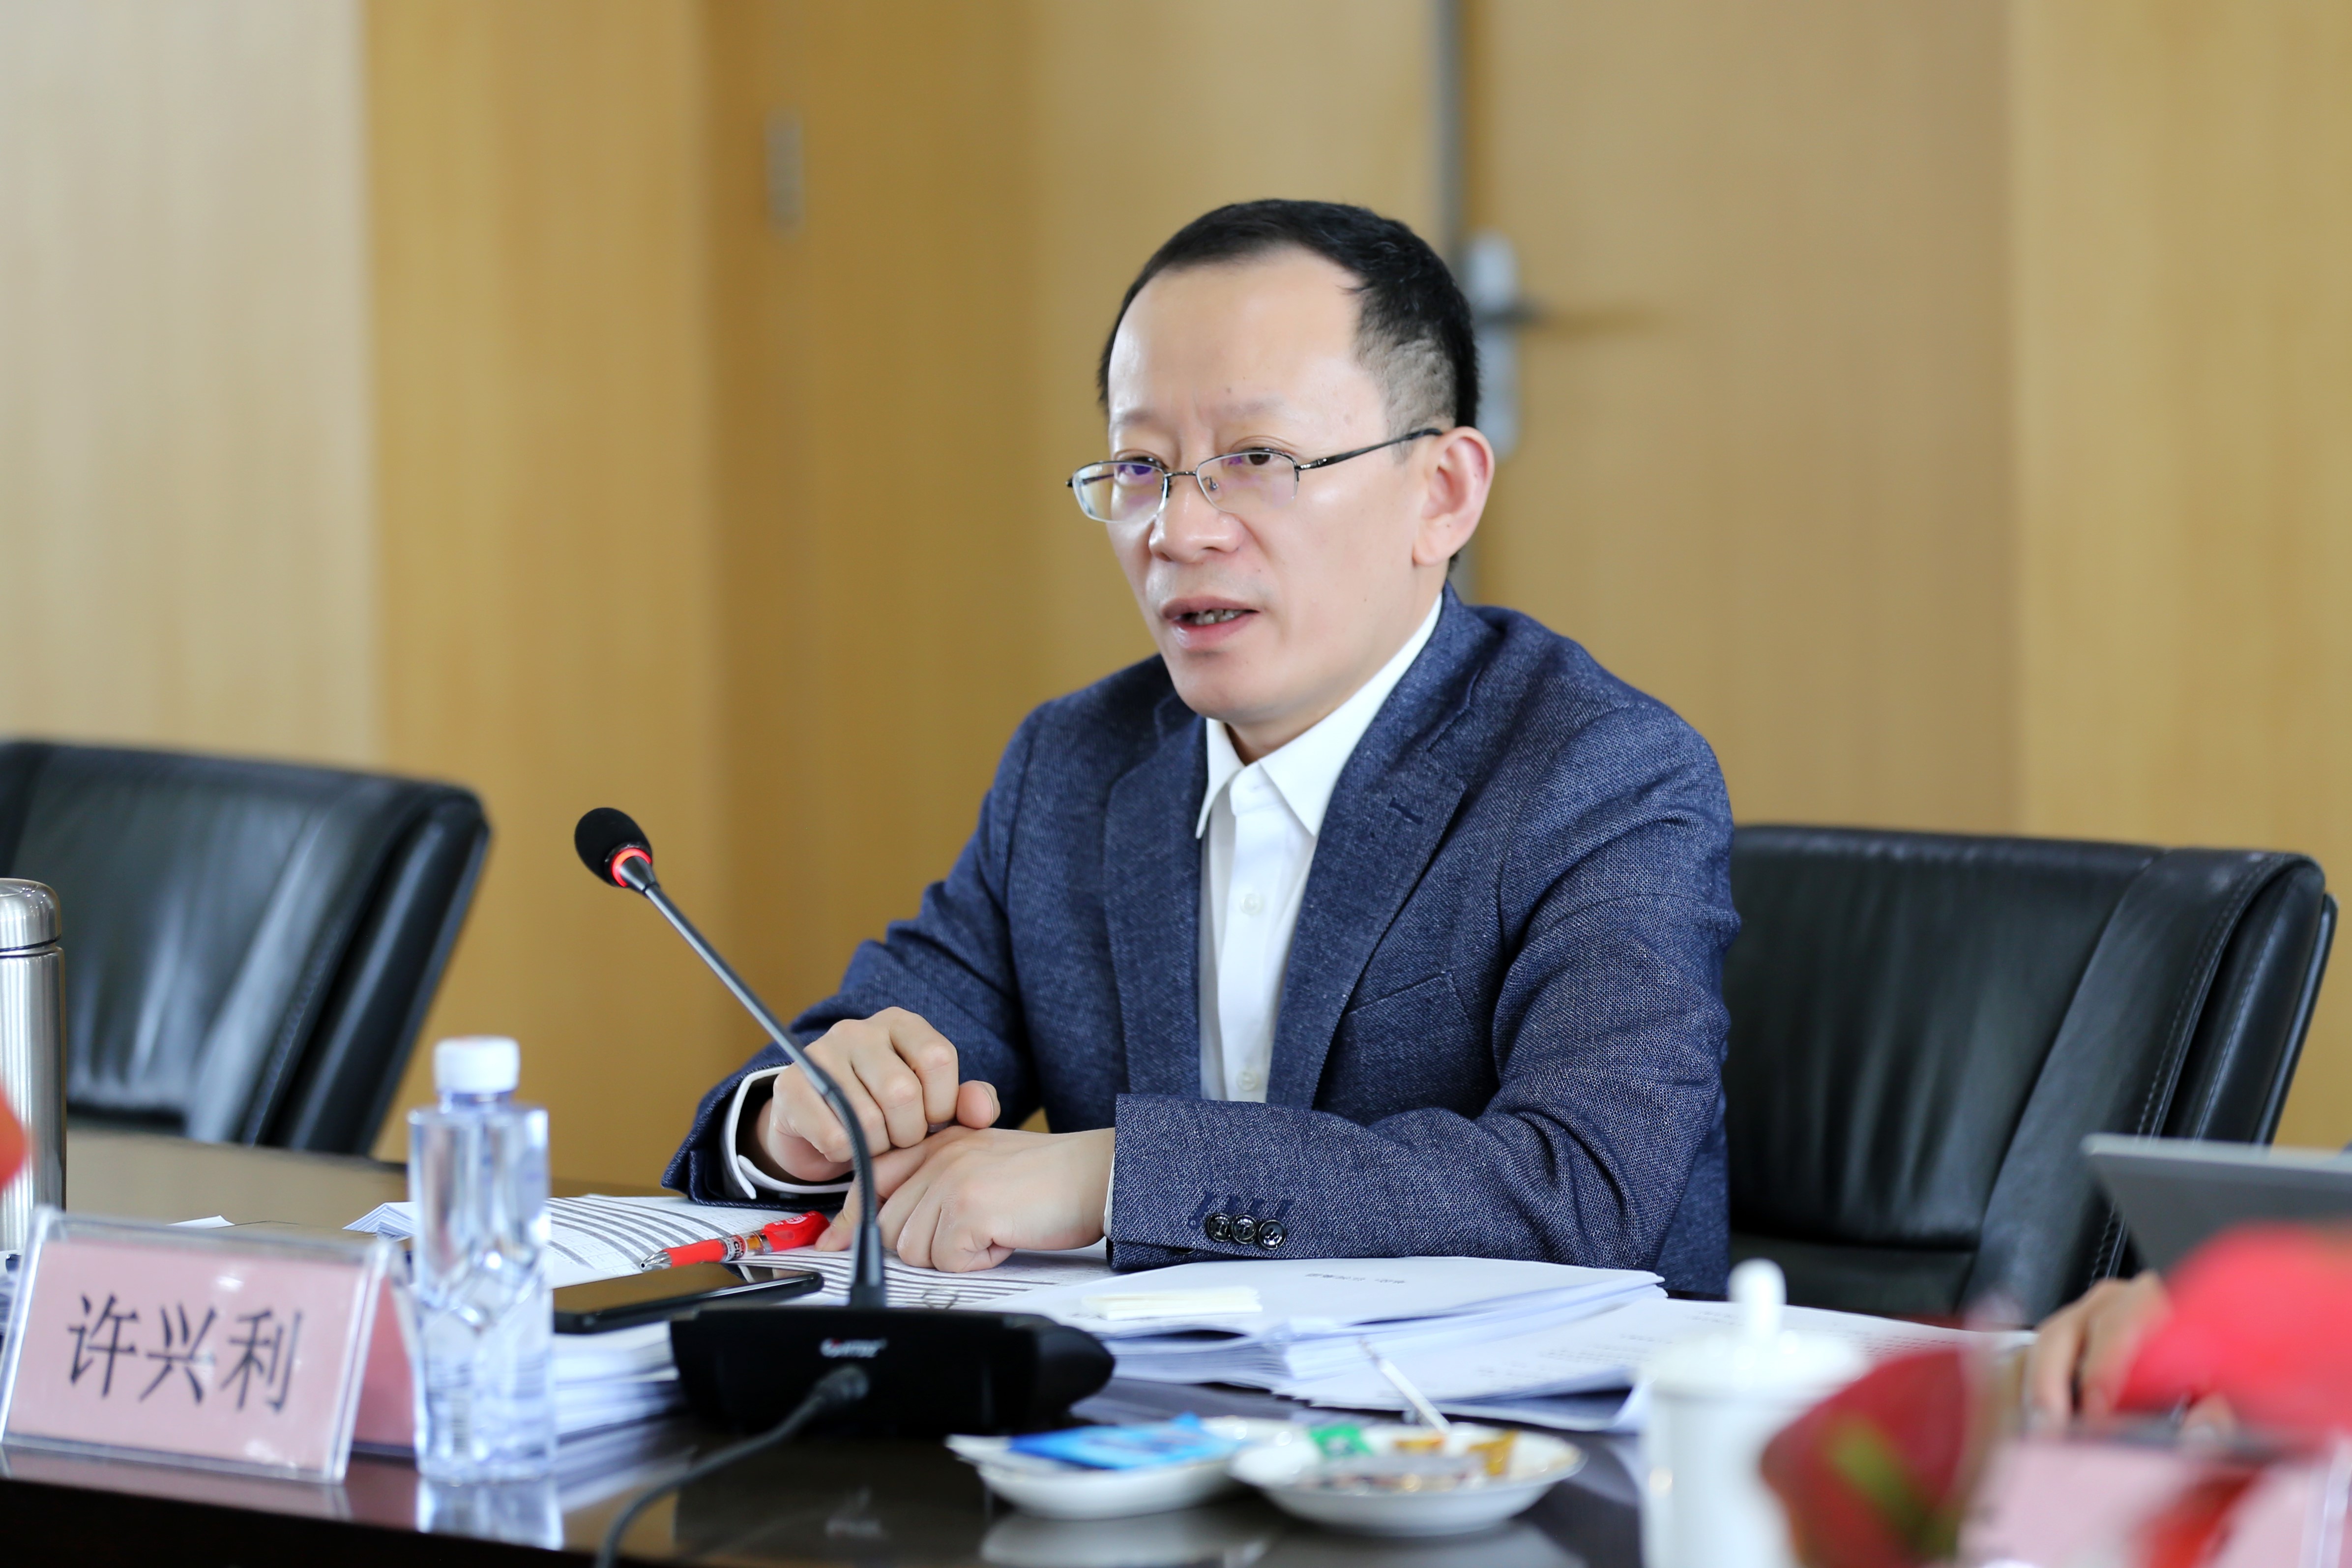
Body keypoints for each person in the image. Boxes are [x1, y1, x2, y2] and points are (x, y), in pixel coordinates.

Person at [663, 199, 1741, 1290]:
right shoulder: (1073, 767)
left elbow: (1587, 1189)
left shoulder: (1598, 772)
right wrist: (795, 1123)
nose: (1177, 531)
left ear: (1442, 493)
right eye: (1139, 466)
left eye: (1258, 457)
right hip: (1133, 1399)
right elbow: (871, 1054)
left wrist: (1115, 1177)